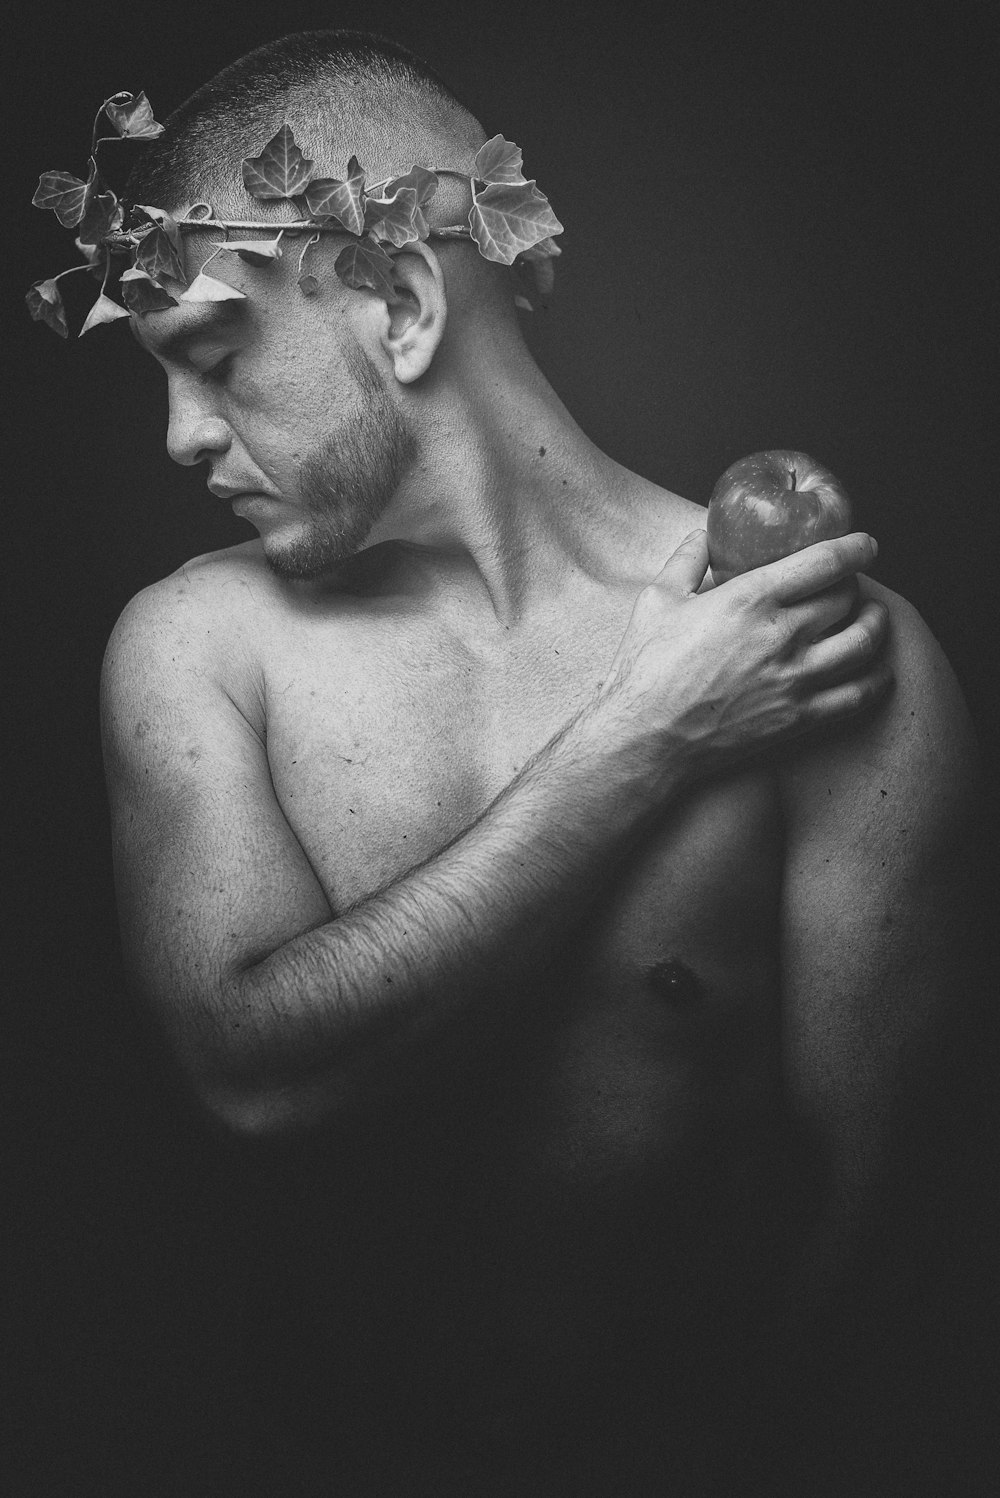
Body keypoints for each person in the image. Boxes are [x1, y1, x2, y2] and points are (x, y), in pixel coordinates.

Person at [95, 28, 979, 1495]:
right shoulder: (197, 652)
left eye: (216, 358)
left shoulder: (837, 664)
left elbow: (892, 1234)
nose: (184, 435)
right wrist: (646, 734)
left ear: (400, 297)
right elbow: (249, 1073)